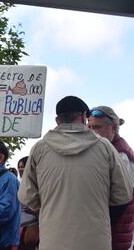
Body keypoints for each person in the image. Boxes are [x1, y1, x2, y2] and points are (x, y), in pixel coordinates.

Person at [18, 96, 132, 250]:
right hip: (96, 240)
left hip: (53, 239)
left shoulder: (40, 149)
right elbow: (123, 195)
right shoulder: (105, 147)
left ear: (57, 120)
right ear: (85, 117)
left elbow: (27, 196)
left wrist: (51, 206)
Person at [88, 106, 134, 250]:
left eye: (96, 127)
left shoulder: (121, 155)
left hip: (115, 235)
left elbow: (121, 202)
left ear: (113, 128)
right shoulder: (107, 150)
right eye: (89, 127)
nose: (91, 132)